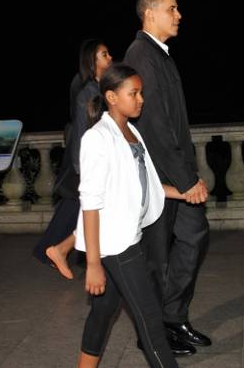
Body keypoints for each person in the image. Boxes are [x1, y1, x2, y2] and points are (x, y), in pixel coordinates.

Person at [76, 63, 183, 368]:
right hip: (116, 244)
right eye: (133, 93)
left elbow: (143, 181)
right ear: (111, 97)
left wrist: (181, 191)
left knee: (103, 311)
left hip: (128, 235)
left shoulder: (130, 130)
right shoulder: (98, 139)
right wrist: (93, 263)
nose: (141, 99)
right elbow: (90, 203)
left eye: (141, 93)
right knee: (151, 323)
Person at [124, 0, 211, 356]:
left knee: (193, 238)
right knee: (156, 258)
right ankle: (153, 335)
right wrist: (187, 181)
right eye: (171, 9)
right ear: (149, 14)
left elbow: (172, 123)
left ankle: (174, 318)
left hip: (177, 172)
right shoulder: (141, 55)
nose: (179, 15)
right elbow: (156, 127)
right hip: (162, 179)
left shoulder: (160, 55)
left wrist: (188, 172)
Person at [33, 39, 113, 279]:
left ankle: (59, 249)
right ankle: (59, 249)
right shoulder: (86, 92)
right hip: (88, 164)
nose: (110, 58)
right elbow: (80, 133)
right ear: (92, 61)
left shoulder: (102, 87)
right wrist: (83, 171)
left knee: (82, 211)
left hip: (97, 161)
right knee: (89, 210)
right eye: (104, 54)